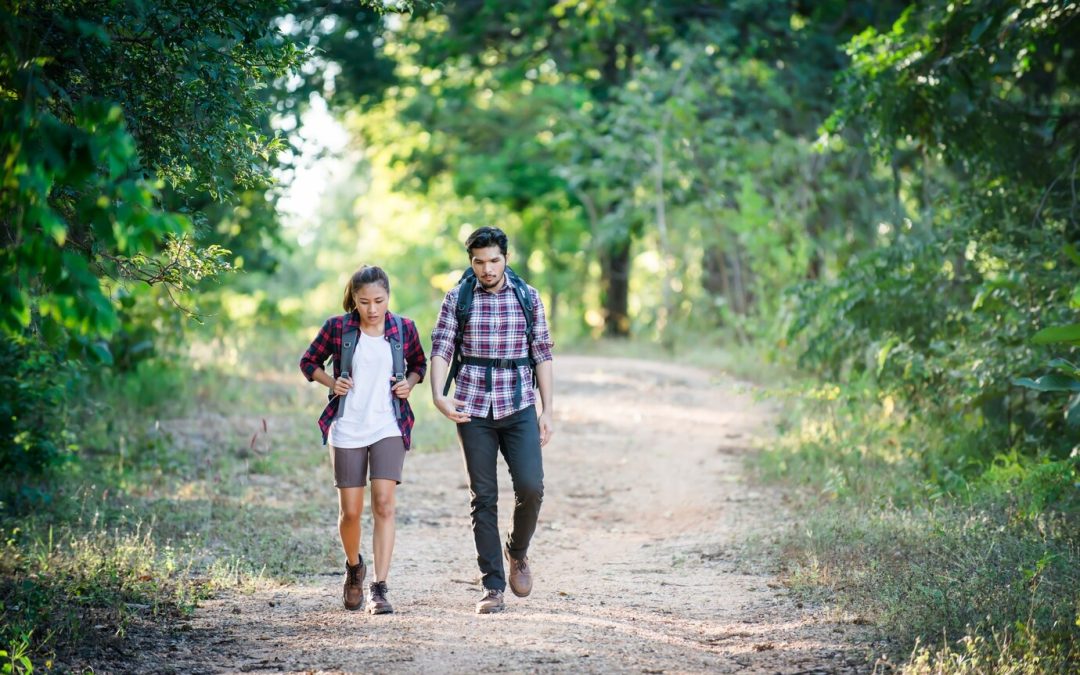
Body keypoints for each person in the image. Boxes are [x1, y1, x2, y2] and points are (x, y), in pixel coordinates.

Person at [429, 226, 555, 614]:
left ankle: (517, 551)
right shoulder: (458, 298)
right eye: (479, 262)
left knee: (531, 487)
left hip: (518, 404)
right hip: (472, 407)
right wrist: (438, 395)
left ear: (506, 258)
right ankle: (493, 586)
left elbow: (543, 353)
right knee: (483, 498)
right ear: (471, 262)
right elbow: (442, 347)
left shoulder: (528, 297)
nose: (487, 269)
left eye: (494, 260)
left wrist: (547, 408)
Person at [300, 265, 427, 614]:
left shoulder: (404, 328)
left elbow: (420, 363)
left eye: (379, 301)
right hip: (347, 427)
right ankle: (355, 567)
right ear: (354, 300)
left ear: (388, 296)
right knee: (350, 513)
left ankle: (380, 588)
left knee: (385, 504)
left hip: (388, 424)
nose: (372, 309)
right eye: (364, 302)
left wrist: (410, 383)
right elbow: (308, 361)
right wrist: (331, 382)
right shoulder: (338, 327)